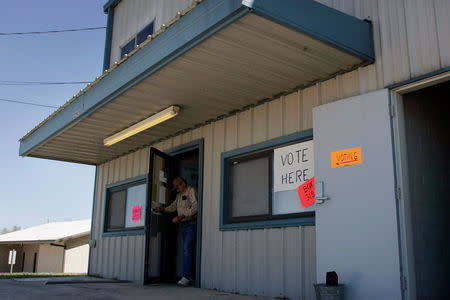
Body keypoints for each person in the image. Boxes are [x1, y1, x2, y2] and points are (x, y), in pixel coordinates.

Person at [153, 177, 197, 286]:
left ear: (183, 184)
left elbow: (196, 207)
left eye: (178, 188)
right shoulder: (178, 195)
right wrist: (162, 209)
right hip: (183, 225)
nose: (177, 191)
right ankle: (190, 276)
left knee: (187, 250)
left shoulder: (191, 190)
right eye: (176, 189)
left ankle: (186, 277)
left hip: (191, 224)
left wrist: (181, 216)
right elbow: (173, 207)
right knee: (187, 250)